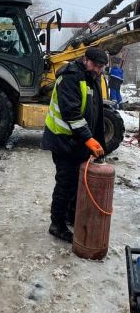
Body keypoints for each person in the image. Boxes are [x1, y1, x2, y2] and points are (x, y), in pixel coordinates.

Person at [42, 46, 108, 243]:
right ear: (85, 59)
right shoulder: (70, 77)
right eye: (95, 65)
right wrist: (88, 138)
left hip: (77, 141)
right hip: (62, 139)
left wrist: (97, 142)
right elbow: (71, 113)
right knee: (66, 183)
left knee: (79, 182)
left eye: (101, 67)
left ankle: (71, 215)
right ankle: (57, 225)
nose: (98, 70)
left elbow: (96, 112)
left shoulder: (92, 77)